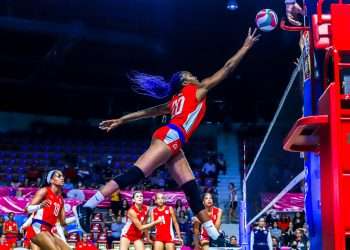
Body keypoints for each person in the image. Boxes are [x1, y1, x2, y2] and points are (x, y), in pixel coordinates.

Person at [74, 28, 260, 243]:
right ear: (184, 81)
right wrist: (245, 47)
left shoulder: (175, 101)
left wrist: (122, 119)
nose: (195, 75)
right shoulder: (197, 90)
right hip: (171, 136)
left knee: (191, 189)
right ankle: (87, 206)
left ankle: (215, 236)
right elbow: (227, 69)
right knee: (135, 173)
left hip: (173, 139)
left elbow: (150, 111)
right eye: (190, 74)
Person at [24, 170, 70, 250]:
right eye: (58, 176)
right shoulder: (44, 190)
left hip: (49, 230)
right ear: (51, 180)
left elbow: (63, 222)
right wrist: (40, 206)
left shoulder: (61, 199)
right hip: (37, 228)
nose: (62, 178)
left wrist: (76, 218)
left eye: (62, 176)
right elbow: (27, 209)